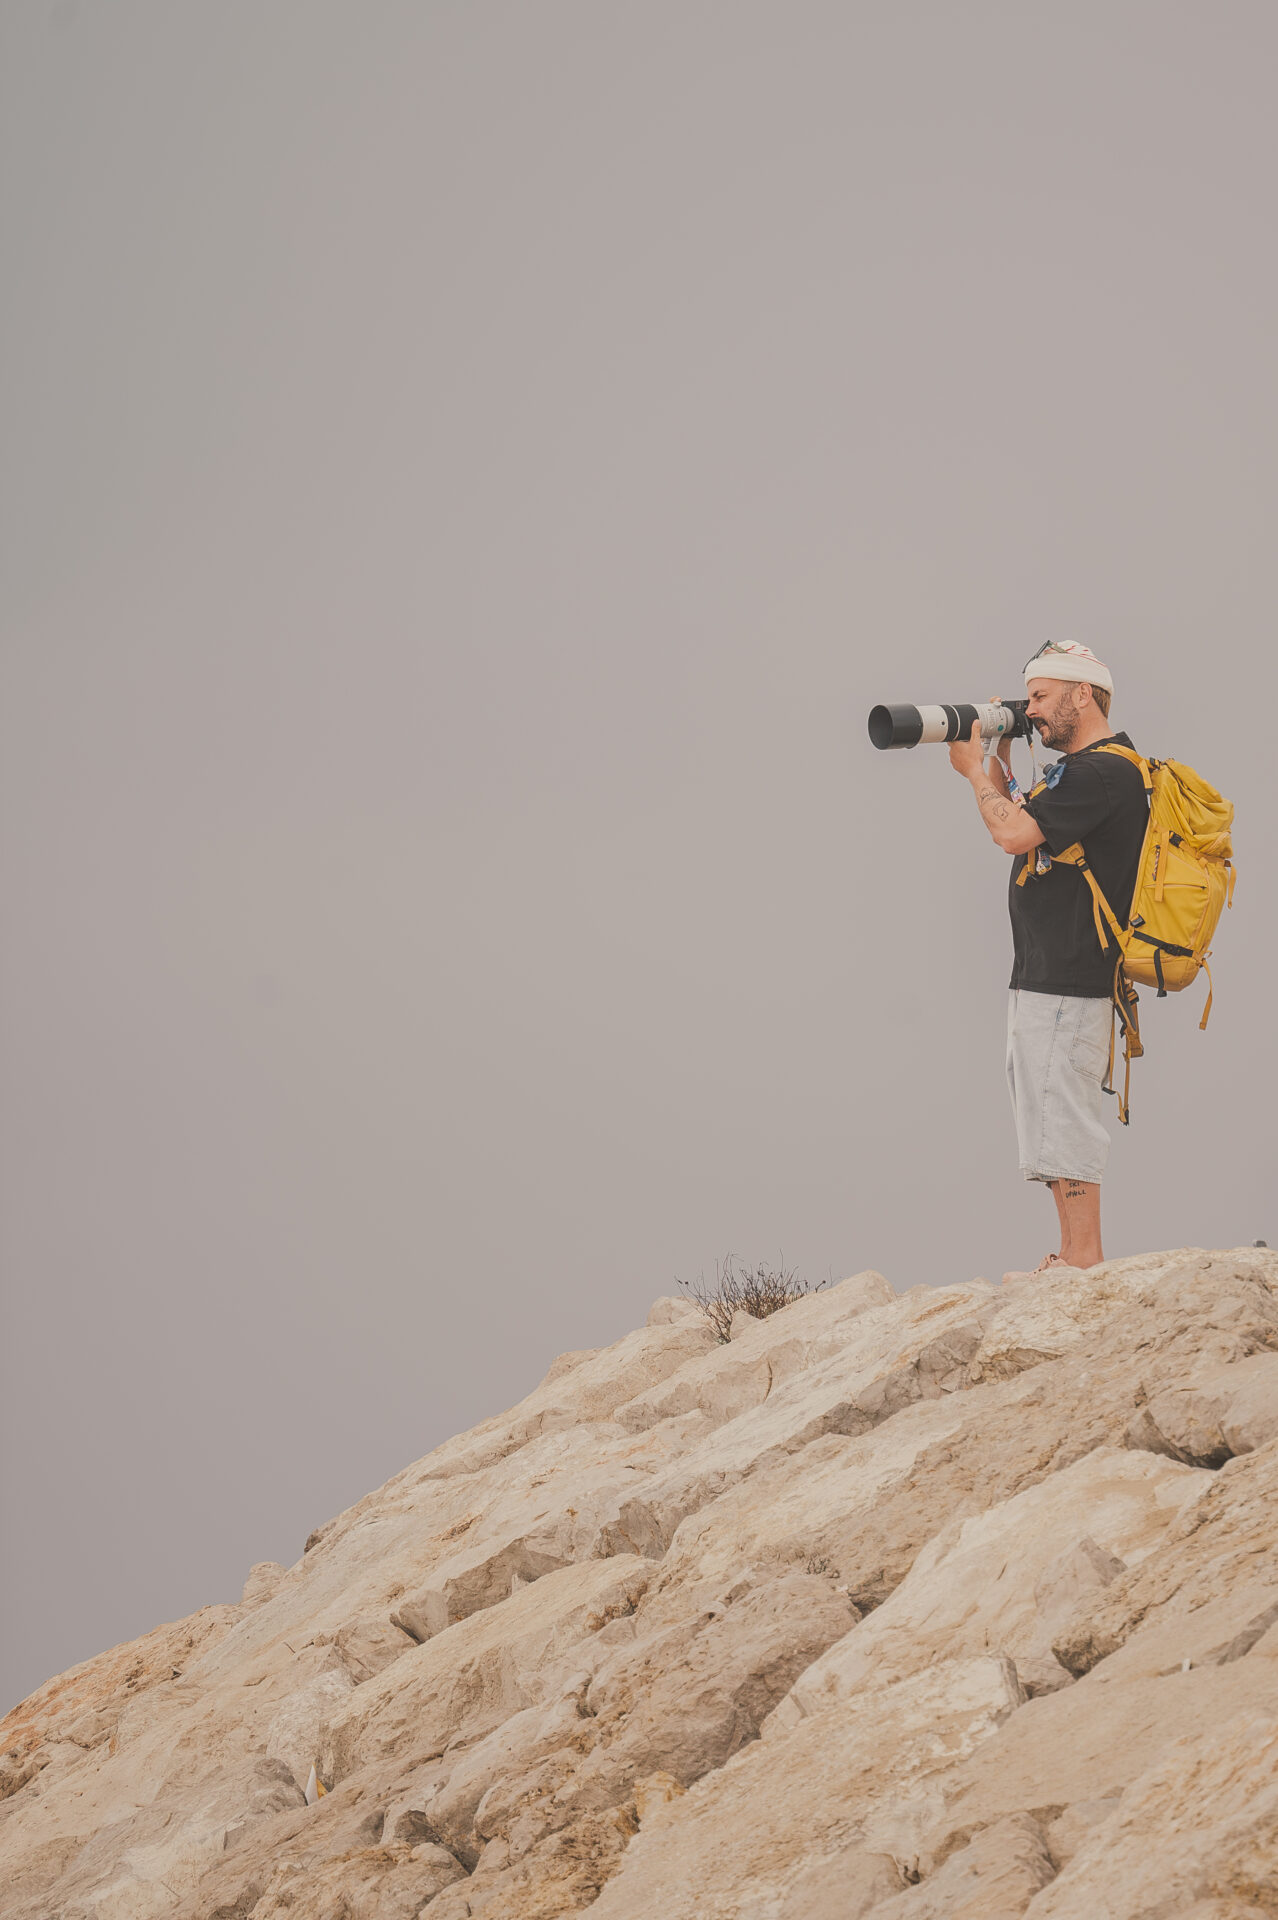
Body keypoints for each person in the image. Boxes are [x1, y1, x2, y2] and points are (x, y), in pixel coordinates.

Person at [948, 641, 1149, 1279]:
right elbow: (1027, 817)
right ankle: (1069, 1253)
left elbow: (1010, 832)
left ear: (1081, 693)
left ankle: (1083, 1259)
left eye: (1039, 697)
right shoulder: (1078, 771)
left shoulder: (1104, 772)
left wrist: (974, 774)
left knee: (1063, 1112)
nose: (1030, 710)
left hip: (1072, 972)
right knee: (1043, 1111)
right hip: (1044, 972)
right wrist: (1000, 757)